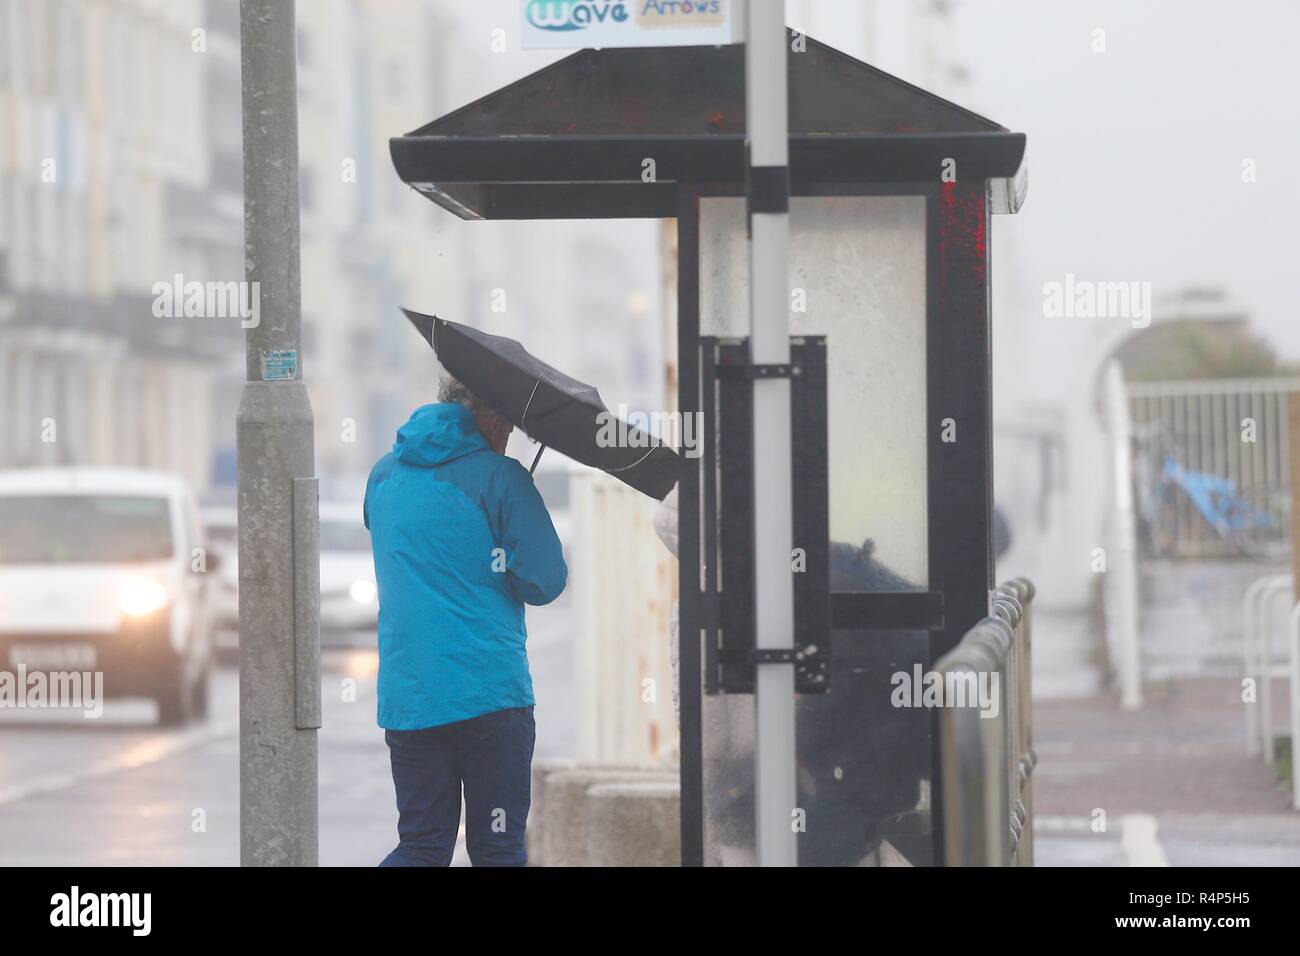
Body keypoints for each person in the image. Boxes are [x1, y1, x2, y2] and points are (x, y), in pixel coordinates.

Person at [364, 377, 567, 866]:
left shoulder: (383, 474)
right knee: (497, 846)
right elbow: (545, 581)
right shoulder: (502, 478)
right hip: (489, 697)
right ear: (494, 420)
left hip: (410, 696)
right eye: (510, 429)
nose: (508, 438)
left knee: (421, 844)